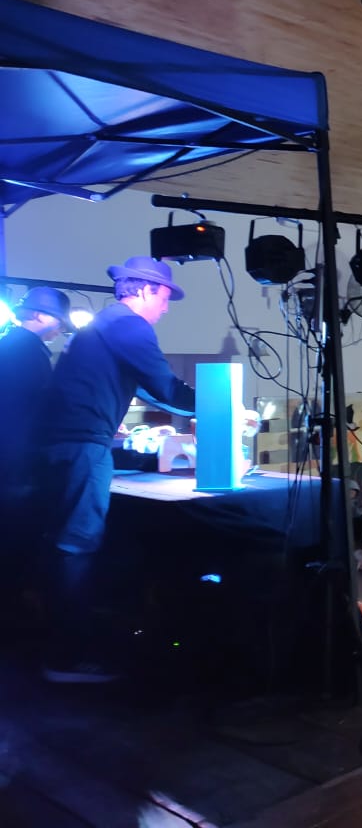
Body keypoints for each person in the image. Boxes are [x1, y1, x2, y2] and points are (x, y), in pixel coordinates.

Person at [39, 257, 196, 682]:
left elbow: (153, 390)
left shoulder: (104, 327)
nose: (165, 308)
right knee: (77, 546)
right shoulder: (129, 326)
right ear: (144, 290)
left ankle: (63, 648)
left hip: (67, 445)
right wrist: (223, 406)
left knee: (66, 547)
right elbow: (165, 386)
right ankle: (67, 659)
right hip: (82, 447)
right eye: (164, 297)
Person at [0, 286, 70, 506]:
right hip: (17, 461)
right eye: (58, 320)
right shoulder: (27, 351)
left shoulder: (9, 344)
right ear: (38, 315)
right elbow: (39, 404)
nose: (60, 328)